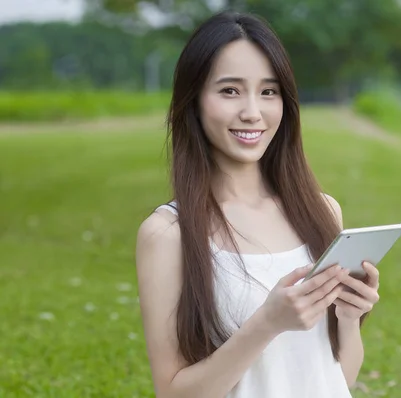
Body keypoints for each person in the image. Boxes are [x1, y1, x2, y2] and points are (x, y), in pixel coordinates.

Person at [135, 10, 381, 398]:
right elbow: (174, 393)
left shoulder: (321, 211)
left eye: (269, 92)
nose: (252, 112)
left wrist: (349, 319)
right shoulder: (167, 234)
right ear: (193, 100)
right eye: (230, 90)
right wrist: (267, 323)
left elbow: (337, 379)